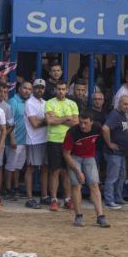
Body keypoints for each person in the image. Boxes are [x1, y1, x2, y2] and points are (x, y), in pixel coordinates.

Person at [64, 112, 110, 228]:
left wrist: (109, 143)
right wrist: (78, 171)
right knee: (76, 185)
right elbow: (66, 154)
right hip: (74, 157)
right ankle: (78, 216)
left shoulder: (97, 128)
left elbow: (106, 130)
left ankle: (100, 216)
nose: (83, 126)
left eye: (86, 123)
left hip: (89, 157)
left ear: (91, 122)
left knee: (94, 184)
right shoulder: (72, 132)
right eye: (81, 123)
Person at [45, 81, 78, 211]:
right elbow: (49, 121)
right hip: (54, 140)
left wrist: (58, 119)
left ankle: (68, 199)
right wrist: (66, 118)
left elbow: (75, 123)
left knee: (67, 172)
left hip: (68, 141)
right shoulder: (49, 103)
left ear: (66, 90)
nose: (61, 91)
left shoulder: (72, 103)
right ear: (55, 89)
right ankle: (54, 200)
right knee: (55, 171)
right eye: (59, 89)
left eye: (63, 89)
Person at [101, 95, 128, 209]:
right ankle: (109, 201)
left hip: (121, 153)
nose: (127, 106)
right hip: (113, 153)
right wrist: (109, 143)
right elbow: (105, 128)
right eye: (125, 104)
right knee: (112, 177)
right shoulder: (115, 115)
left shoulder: (122, 115)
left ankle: (118, 198)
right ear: (119, 103)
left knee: (121, 176)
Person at [24, 79, 49, 208]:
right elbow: (34, 124)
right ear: (33, 89)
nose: (39, 90)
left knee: (45, 167)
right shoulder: (29, 103)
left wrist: (43, 120)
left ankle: (44, 196)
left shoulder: (46, 103)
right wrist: (48, 120)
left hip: (46, 138)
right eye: (37, 87)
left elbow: (41, 121)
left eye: (42, 88)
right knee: (31, 167)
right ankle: (29, 198)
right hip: (33, 140)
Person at [5, 81, 28, 200]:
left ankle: (16, 187)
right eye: (25, 88)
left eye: (29, 89)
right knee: (10, 166)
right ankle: (8, 189)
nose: (27, 91)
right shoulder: (13, 101)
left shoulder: (28, 102)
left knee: (18, 166)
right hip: (14, 140)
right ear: (19, 88)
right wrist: (12, 138)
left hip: (24, 141)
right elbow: (10, 122)